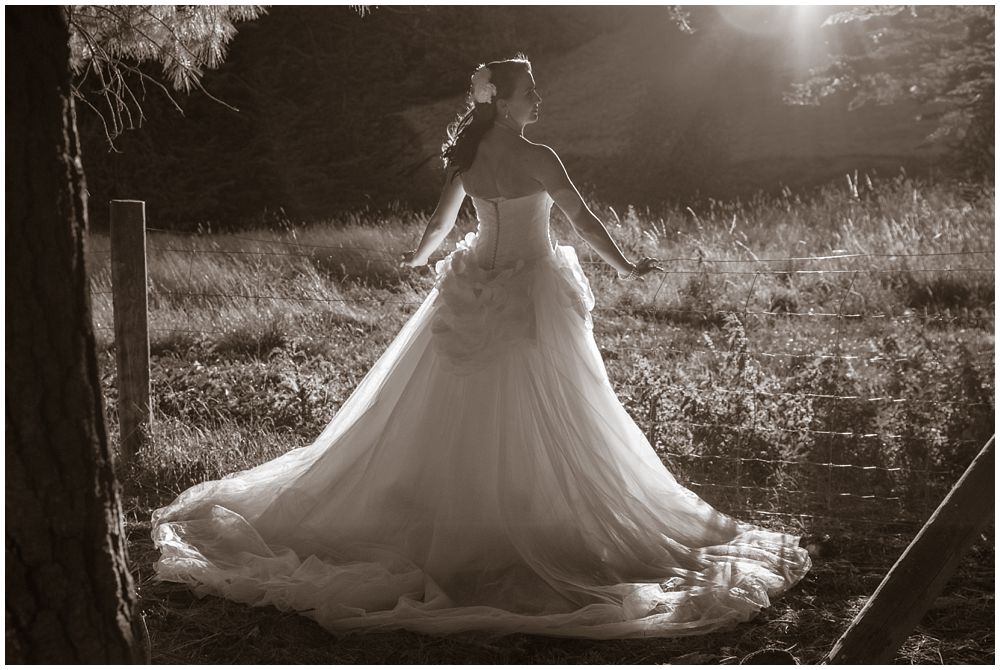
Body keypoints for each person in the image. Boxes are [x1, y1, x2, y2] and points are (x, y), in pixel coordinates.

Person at [152, 56, 811, 640]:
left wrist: (420, 261)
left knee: (454, 413)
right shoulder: (541, 156)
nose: (538, 103)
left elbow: (442, 222)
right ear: (504, 99)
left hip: (472, 287)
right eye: (530, 92)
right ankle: (517, 529)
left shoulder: (470, 159)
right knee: (555, 409)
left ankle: (473, 529)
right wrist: (627, 262)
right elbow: (579, 219)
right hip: (528, 295)